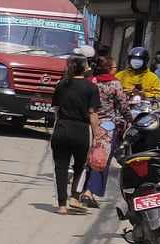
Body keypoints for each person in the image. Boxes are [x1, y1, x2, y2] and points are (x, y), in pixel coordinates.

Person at [51, 56, 99, 214]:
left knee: (61, 167)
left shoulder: (62, 84)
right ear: (85, 68)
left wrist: (60, 124)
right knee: (80, 166)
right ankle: (75, 196)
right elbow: (93, 114)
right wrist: (97, 134)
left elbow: (56, 109)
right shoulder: (91, 87)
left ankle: (62, 205)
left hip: (62, 128)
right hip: (81, 130)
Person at [80, 54, 123, 206]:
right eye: (115, 67)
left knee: (89, 158)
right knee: (100, 160)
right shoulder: (115, 84)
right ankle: (89, 191)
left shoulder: (91, 81)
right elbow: (122, 104)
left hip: (88, 124)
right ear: (109, 69)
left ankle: (83, 190)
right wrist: (130, 119)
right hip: (107, 126)